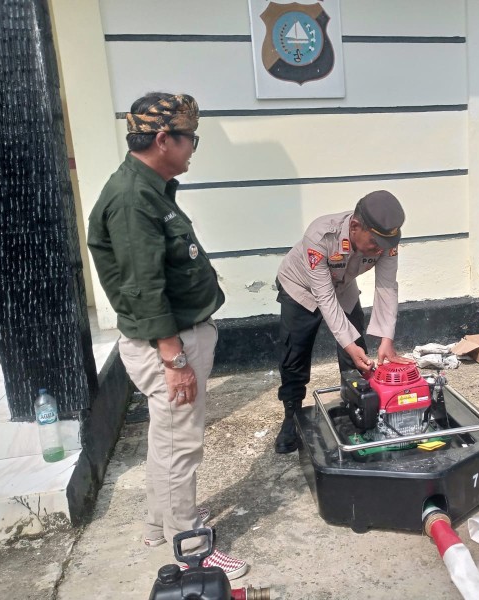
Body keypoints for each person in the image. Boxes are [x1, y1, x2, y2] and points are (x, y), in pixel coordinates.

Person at [87, 92, 248, 579]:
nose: (194, 148)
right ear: (163, 139)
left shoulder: (148, 188)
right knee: (182, 448)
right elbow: (142, 285)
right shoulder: (134, 198)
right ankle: (192, 549)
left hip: (170, 339)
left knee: (166, 438)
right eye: (190, 138)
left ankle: (158, 522)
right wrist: (175, 359)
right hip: (169, 343)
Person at [274, 190, 412, 453]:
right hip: (300, 288)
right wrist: (348, 342)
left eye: (384, 243)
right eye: (375, 242)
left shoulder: (386, 241)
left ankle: (355, 406)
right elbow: (323, 297)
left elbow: (386, 287)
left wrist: (386, 339)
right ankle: (290, 417)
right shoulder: (320, 235)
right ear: (355, 226)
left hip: (342, 285)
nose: (379, 249)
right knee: (295, 355)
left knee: (356, 351)